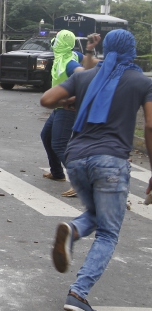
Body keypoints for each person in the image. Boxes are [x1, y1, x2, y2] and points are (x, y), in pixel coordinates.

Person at [41, 29, 152, 311]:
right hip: (111, 162)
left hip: (76, 159)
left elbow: (46, 100)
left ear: (105, 49)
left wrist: (71, 100)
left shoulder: (85, 77)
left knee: (96, 214)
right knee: (108, 232)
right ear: (132, 50)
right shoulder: (142, 81)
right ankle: (77, 294)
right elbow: (150, 125)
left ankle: (73, 229)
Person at [41, 30, 85, 198]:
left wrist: (75, 98)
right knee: (46, 136)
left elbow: (82, 74)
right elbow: (83, 58)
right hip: (59, 108)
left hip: (67, 109)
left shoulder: (69, 63)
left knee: (60, 144)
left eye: (57, 40)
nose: (54, 43)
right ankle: (57, 172)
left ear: (61, 44)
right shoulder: (70, 55)